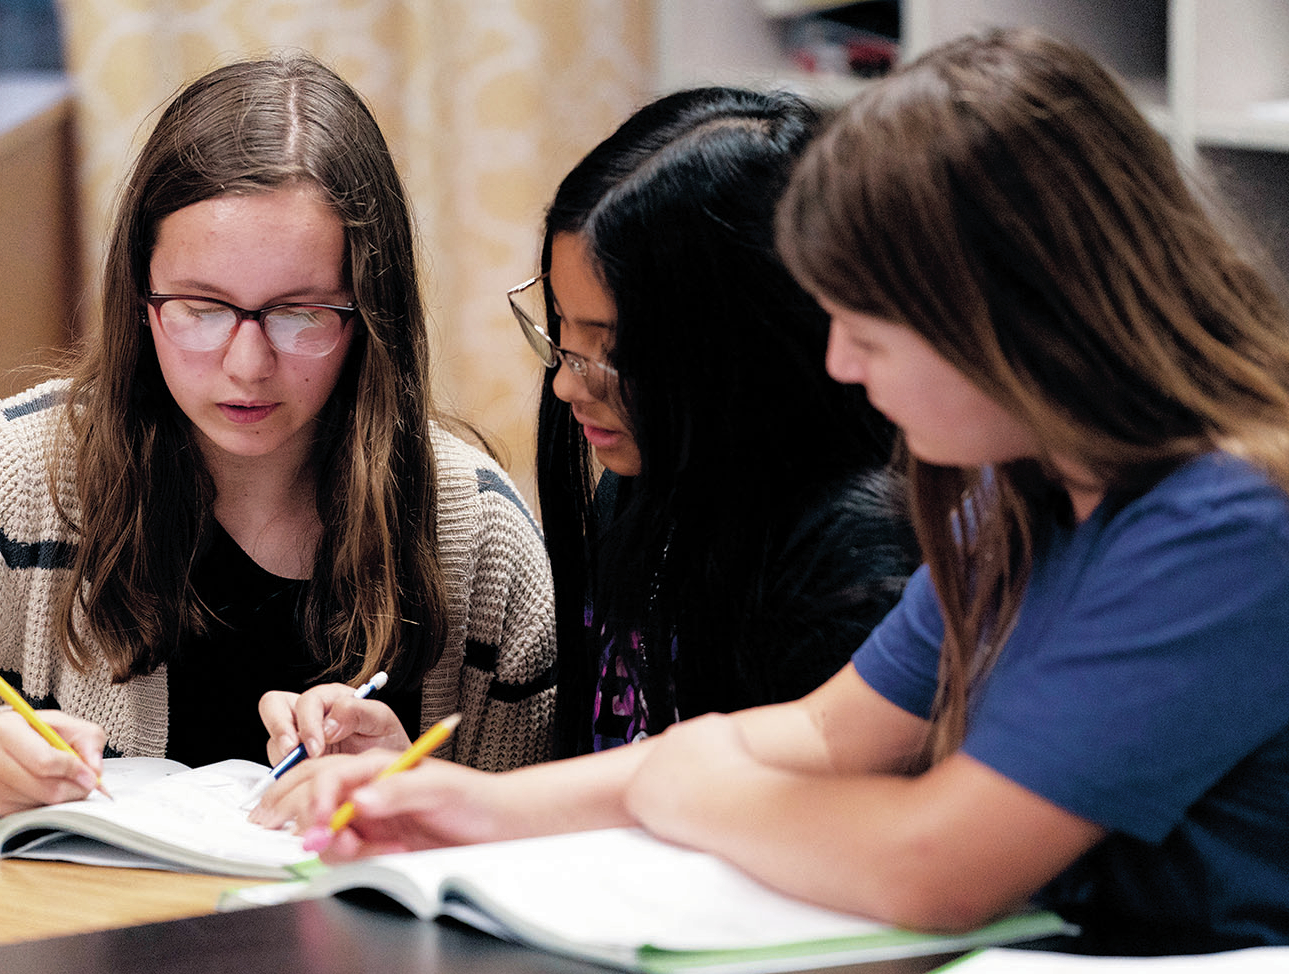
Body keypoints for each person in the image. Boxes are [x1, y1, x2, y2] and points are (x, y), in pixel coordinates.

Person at [270, 29, 1289, 957]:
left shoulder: (1231, 524)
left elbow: (936, 862)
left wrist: (667, 791)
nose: (838, 364)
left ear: (1007, 321)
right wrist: (477, 804)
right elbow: (816, 736)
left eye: (870, 330)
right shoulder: (1014, 502)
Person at [0, 53, 556, 817]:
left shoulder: (473, 526)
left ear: (370, 315)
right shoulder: (33, 467)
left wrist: (416, 781)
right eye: (201, 309)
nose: (246, 365)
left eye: (300, 313)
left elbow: (556, 833)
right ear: (141, 296)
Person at [252, 88, 916, 833]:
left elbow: (783, 827)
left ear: (744, 345)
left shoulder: (865, 562)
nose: (567, 380)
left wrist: (472, 808)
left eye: (612, 349)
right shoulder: (640, 493)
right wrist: (419, 776)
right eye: (563, 332)